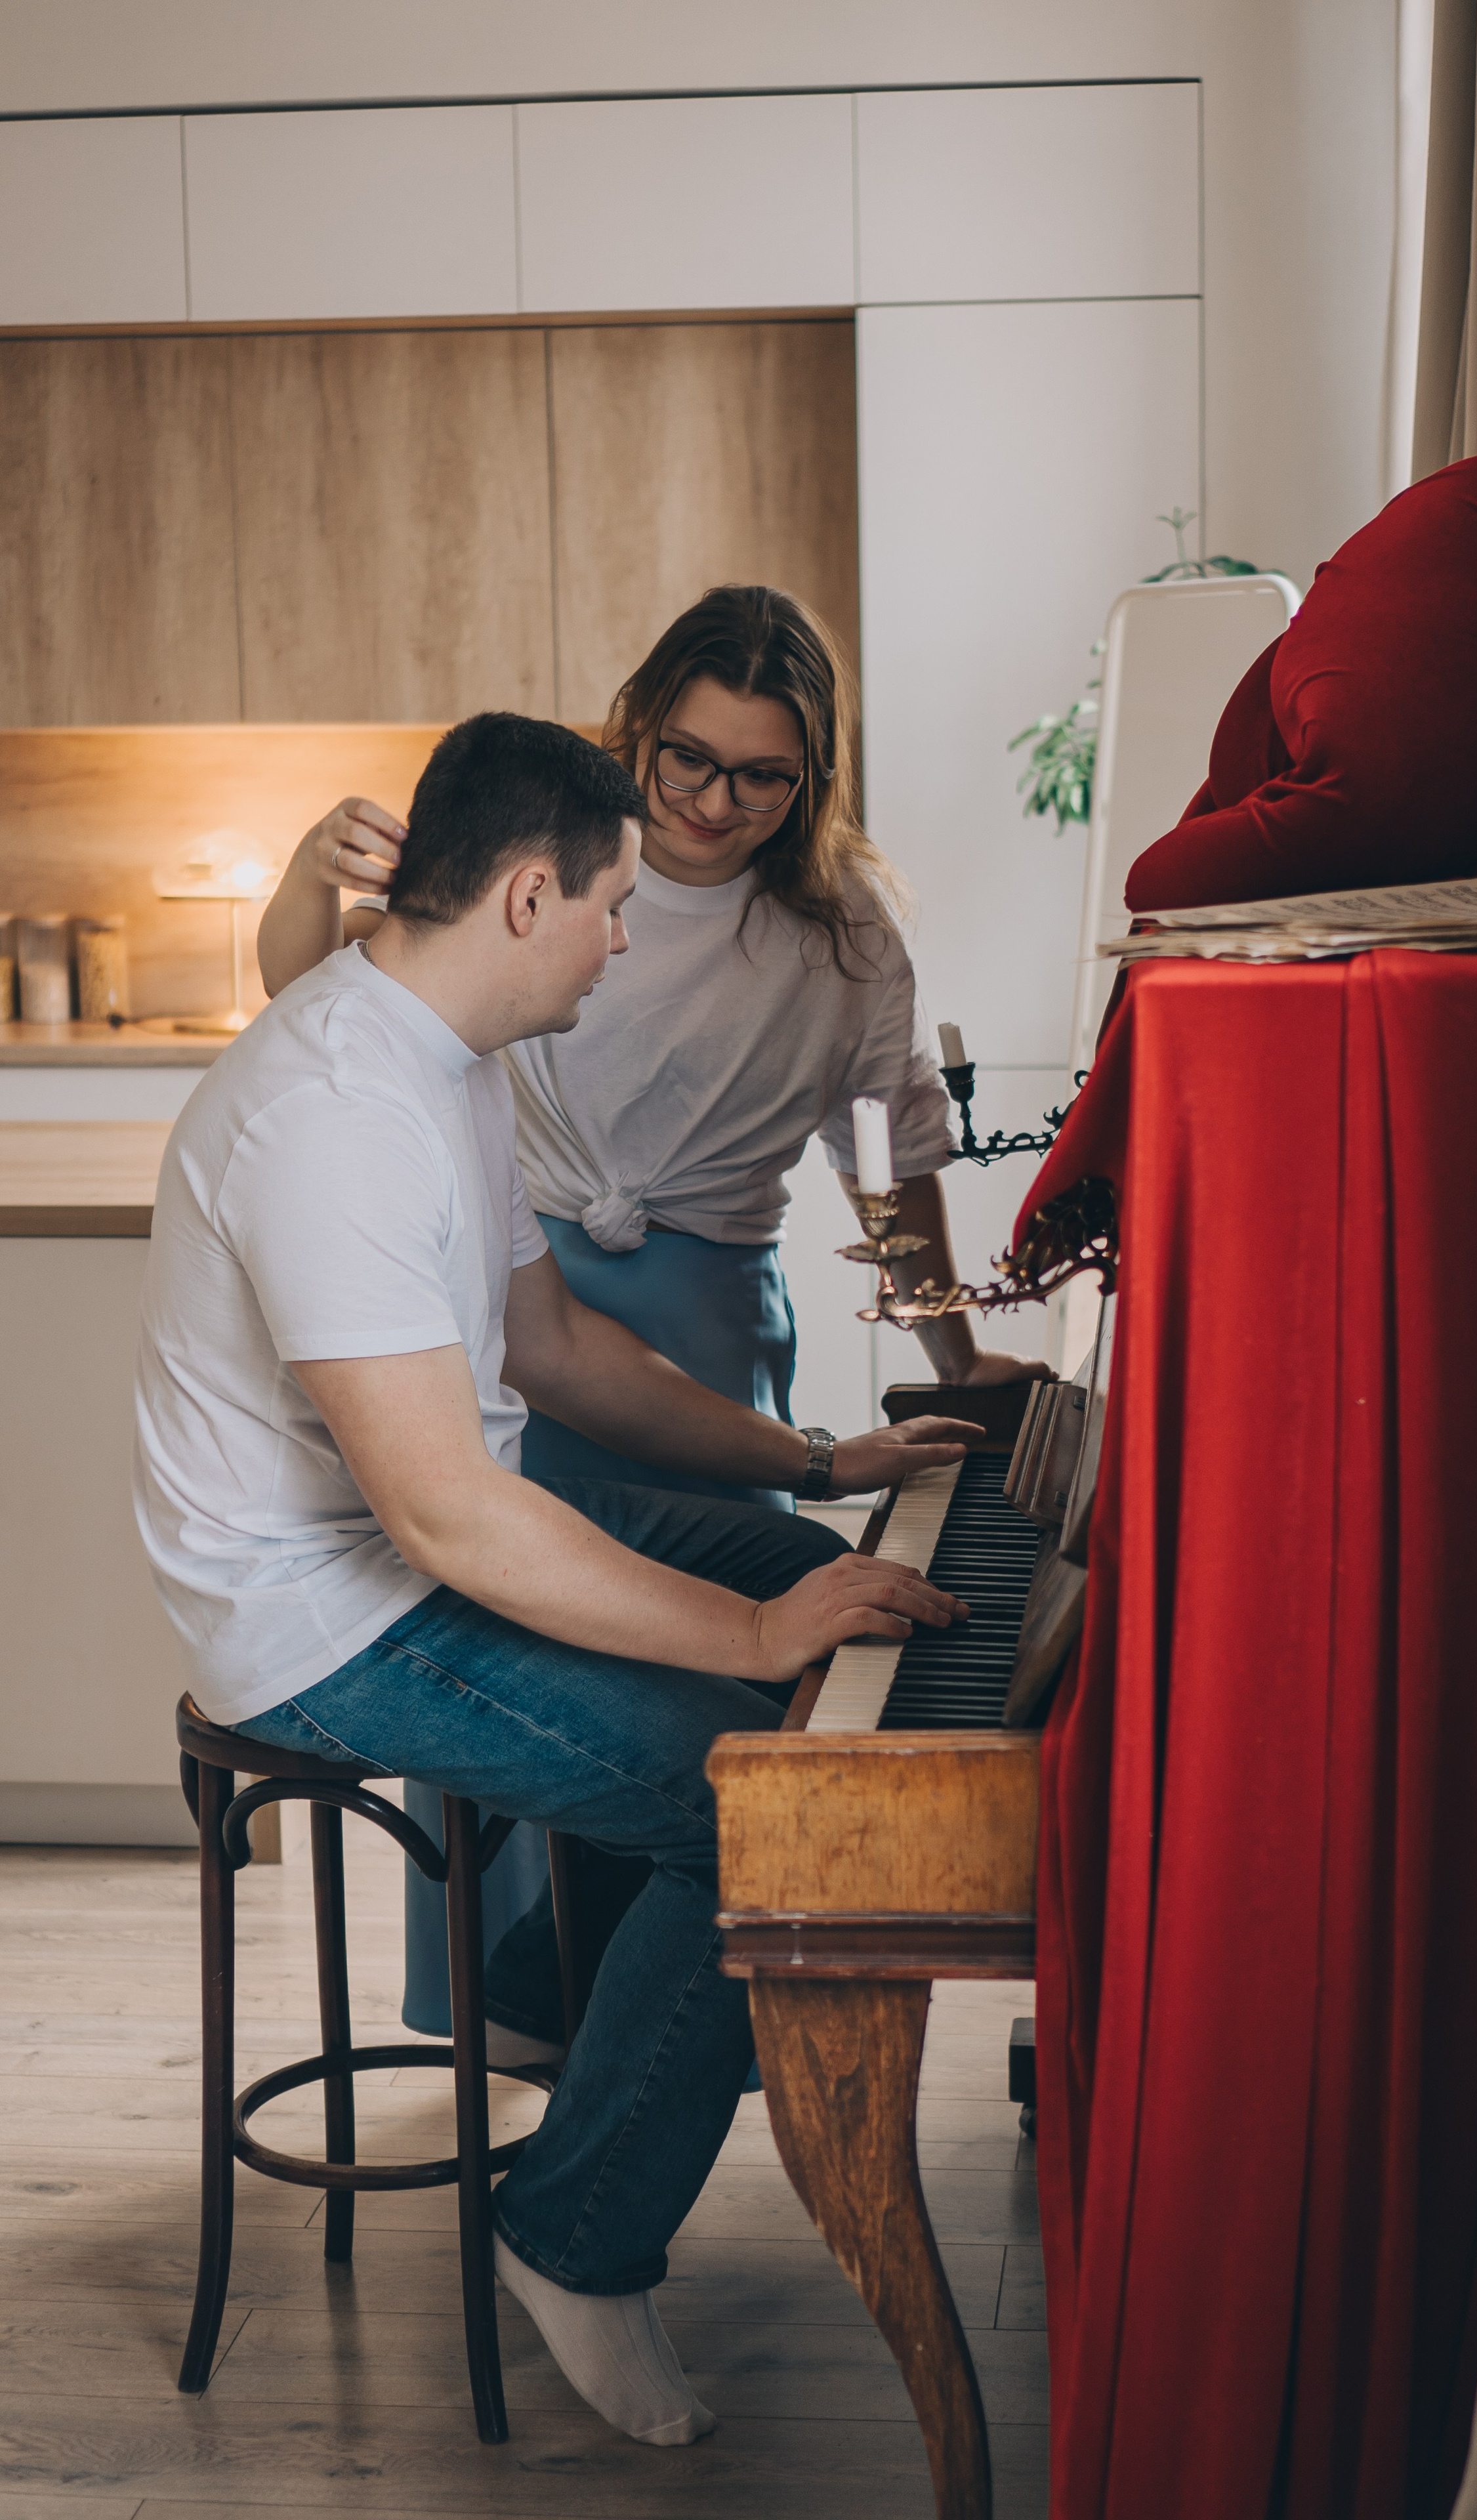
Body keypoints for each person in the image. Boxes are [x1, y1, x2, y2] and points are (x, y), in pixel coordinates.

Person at [136, 713, 976, 2447]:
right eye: (610, 904)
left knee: (834, 1602)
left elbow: (558, 1349)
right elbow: (446, 1523)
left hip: (431, 1531)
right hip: (314, 1616)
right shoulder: (335, 1116)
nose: (624, 933)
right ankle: (576, 2231)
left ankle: (618, 2046)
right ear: (530, 898)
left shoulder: (447, 1059)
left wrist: (815, 1473)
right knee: (761, 1811)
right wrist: (746, 1633)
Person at [257, 584, 1047, 2045]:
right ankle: (517, 2006)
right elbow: (331, 1001)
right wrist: (311, 871)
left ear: (812, 777)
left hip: (699, 1325)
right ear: (639, 729)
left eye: (763, 776)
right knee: (534, 1647)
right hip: (519, 1299)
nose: (713, 803)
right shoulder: (551, 861)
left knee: (718, 1664)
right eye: (687, 759)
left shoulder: (842, 933)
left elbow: (887, 1164)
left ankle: (651, 2011)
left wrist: (949, 1350)